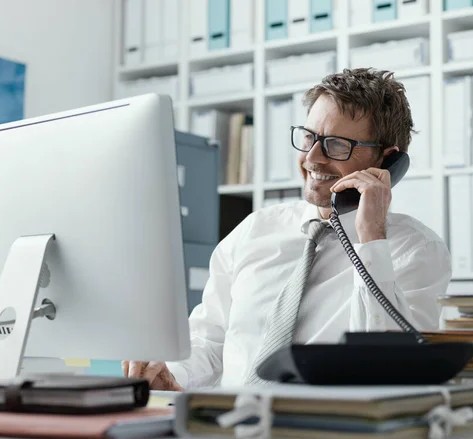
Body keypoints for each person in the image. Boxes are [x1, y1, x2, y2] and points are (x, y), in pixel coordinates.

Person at [122, 68, 451, 390]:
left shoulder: (416, 251)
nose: (312, 157)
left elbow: (389, 369)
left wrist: (371, 239)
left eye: (336, 145)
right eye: (309, 137)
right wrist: (171, 373)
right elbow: (210, 339)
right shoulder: (254, 230)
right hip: (231, 430)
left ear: (385, 162)